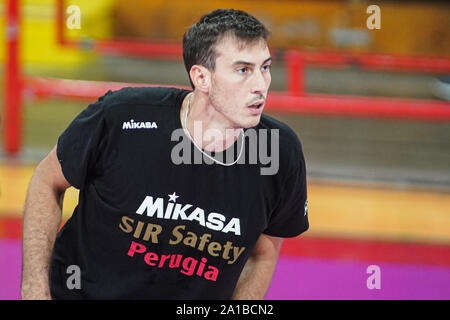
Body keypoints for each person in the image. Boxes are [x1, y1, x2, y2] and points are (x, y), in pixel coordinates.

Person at [21, 8, 309, 300]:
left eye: (265, 67)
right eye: (243, 70)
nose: (261, 85)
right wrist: (34, 290)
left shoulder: (279, 153)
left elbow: (263, 252)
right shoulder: (122, 117)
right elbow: (47, 181)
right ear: (202, 78)